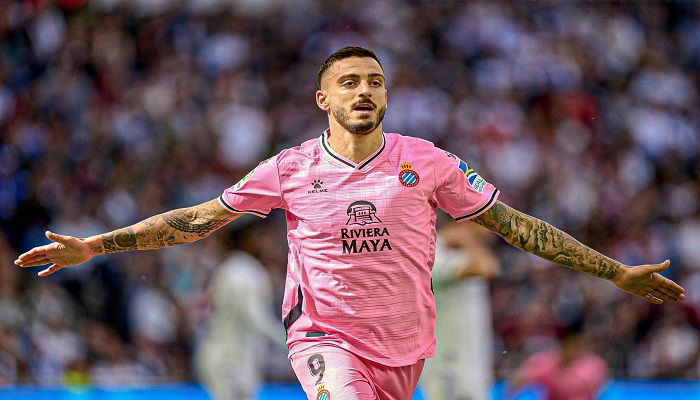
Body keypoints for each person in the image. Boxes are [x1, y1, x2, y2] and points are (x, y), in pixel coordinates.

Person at [14, 46, 685, 400]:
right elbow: (196, 220)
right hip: (322, 336)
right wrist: (95, 245)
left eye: (375, 81)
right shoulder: (290, 168)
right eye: (350, 82)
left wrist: (615, 272)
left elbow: (517, 228)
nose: (365, 90)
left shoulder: (428, 162)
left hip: (406, 349)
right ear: (323, 98)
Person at [420, 220, 500, 400]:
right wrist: (469, 240)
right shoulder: (434, 251)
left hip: (473, 358)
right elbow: (487, 268)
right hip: (446, 362)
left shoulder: (466, 252)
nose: (490, 231)